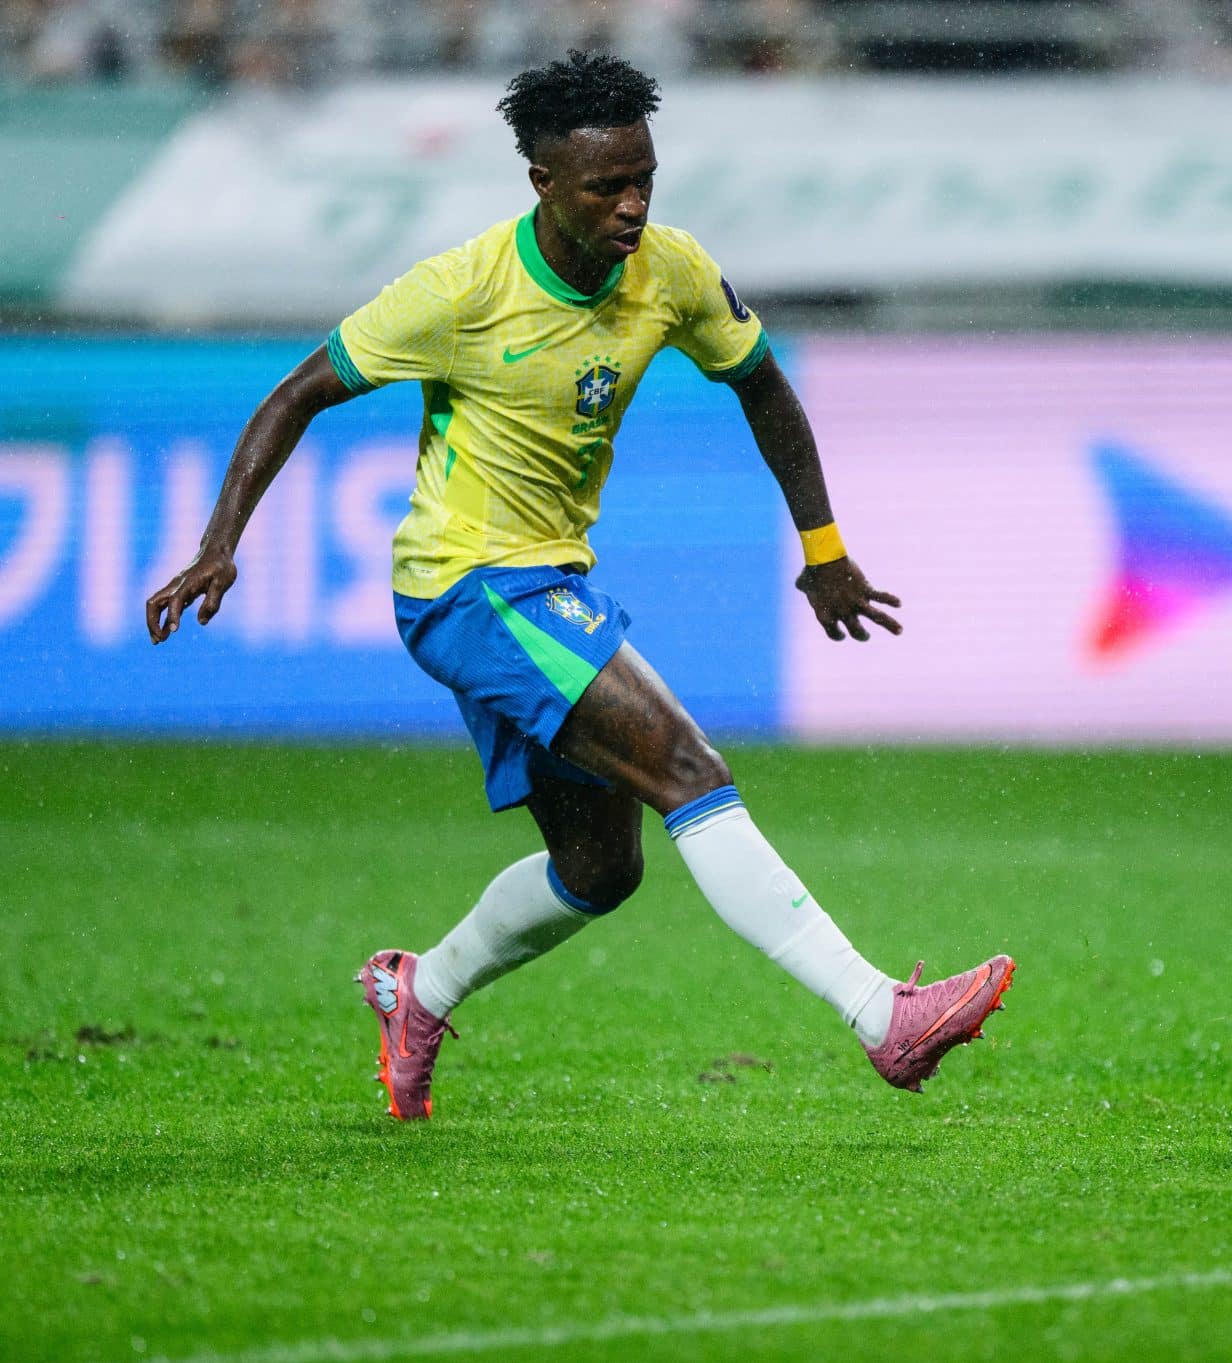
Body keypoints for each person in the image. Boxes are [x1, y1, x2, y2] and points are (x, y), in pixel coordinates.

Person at [144, 50, 1013, 1121]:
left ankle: (420, 987)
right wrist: (222, 540)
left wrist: (823, 548)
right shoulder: (459, 292)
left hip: (546, 577)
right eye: (606, 185)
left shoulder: (673, 272)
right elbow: (294, 395)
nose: (632, 204)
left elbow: (763, 387)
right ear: (543, 183)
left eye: (644, 177)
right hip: (467, 584)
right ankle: (883, 1016)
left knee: (600, 870)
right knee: (688, 767)